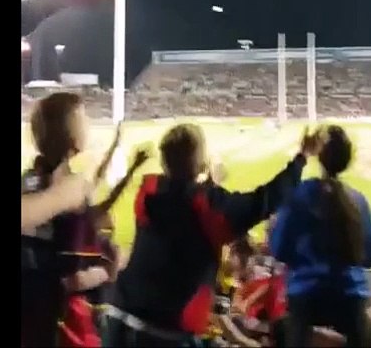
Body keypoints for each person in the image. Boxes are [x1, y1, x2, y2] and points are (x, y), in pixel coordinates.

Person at [103, 124, 323, 347]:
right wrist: (301, 157)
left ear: (162, 162)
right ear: (201, 163)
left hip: (120, 320)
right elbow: (263, 201)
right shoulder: (208, 206)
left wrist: (208, 183)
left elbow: (180, 202)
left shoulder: (147, 194)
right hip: (167, 333)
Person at [20, 92, 146, 347]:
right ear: (74, 141)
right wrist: (109, 267)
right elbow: (72, 276)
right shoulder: (71, 187)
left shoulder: (30, 179)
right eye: (84, 120)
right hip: (64, 318)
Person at [270, 126, 371, 347]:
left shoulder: (300, 195)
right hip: (352, 299)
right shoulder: (358, 201)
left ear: (319, 157)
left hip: (306, 299)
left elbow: (279, 248)